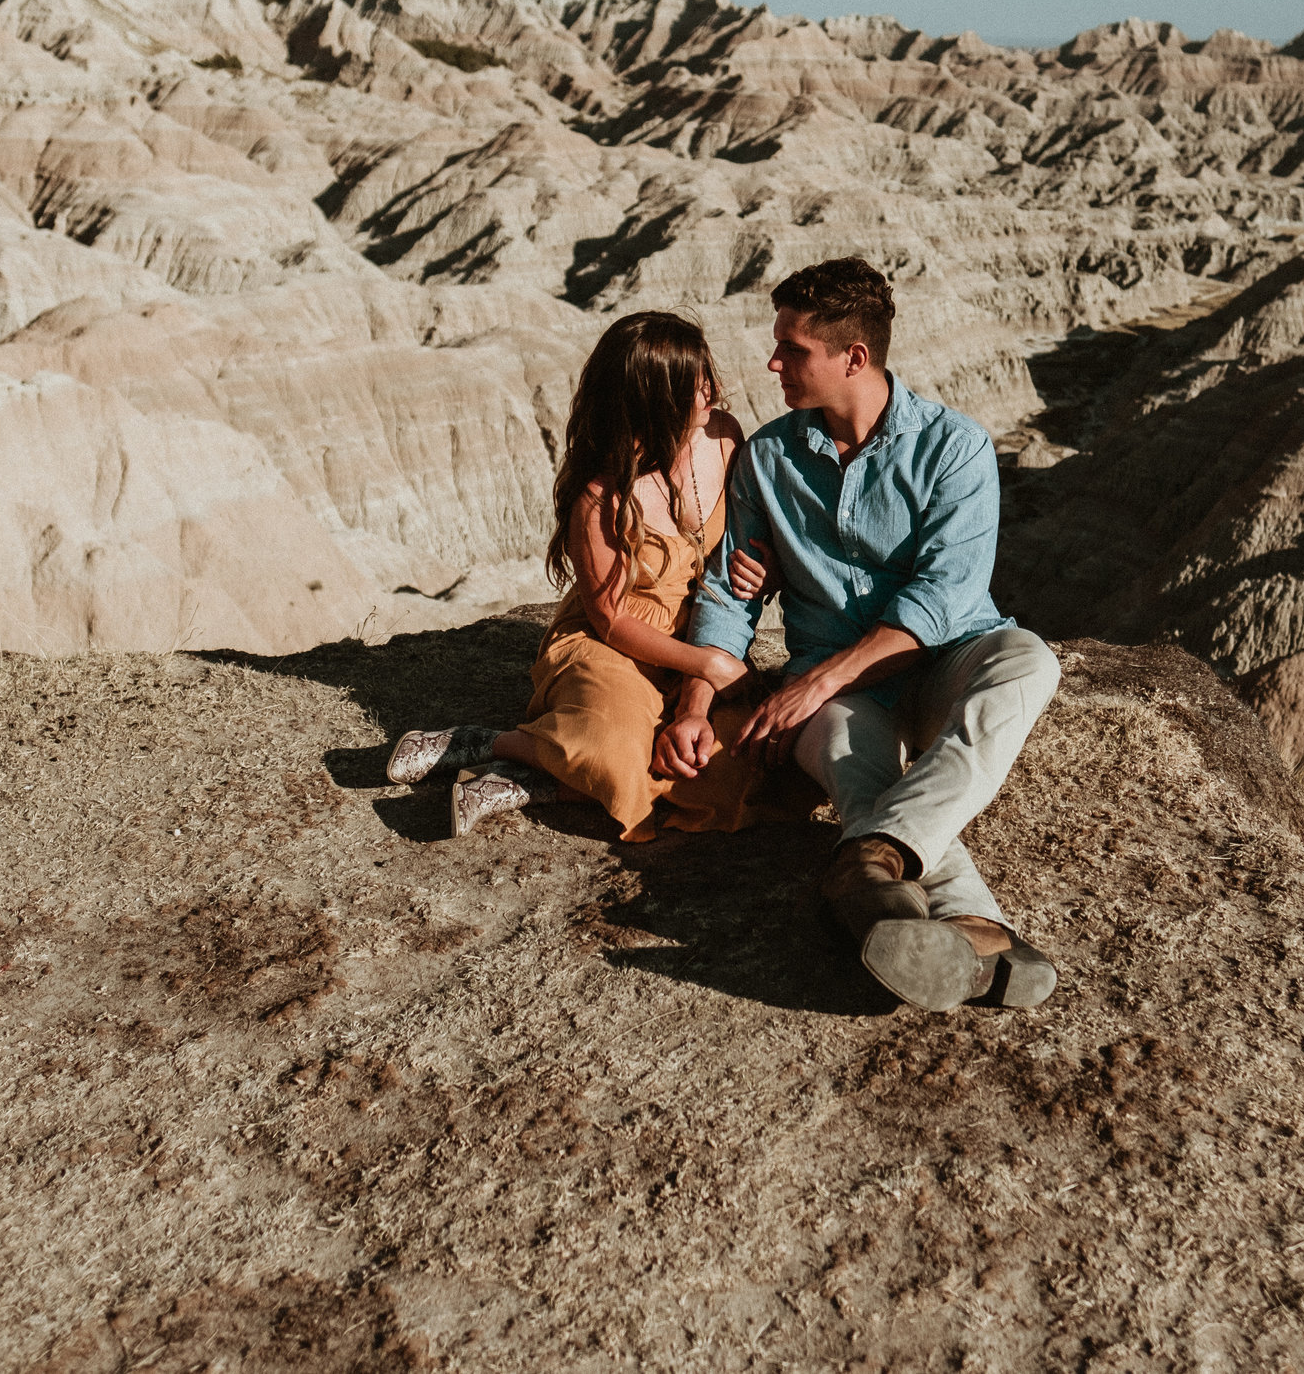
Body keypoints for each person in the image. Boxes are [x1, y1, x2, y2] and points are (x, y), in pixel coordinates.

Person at [669, 257, 1063, 1012]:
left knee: (1031, 664)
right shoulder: (770, 460)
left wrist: (819, 677)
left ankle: (863, 865)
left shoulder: (956, 448)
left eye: (793, 348)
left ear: (854, 356)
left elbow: (946, 596)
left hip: (943, 663)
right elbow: (726, 596)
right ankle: (976, 925)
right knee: (861, 777)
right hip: (838, 701)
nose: (773, 361)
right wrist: (694, 702)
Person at [383, 310, 771, 839]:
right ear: (655, 399)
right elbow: (609, 620)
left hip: (699, 629)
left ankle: (533, 782)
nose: (714, 390)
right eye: (695, 382)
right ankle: (486, 744)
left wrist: (759, 570)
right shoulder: (600, 497)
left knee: (733, 761)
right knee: (612, 748)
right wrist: (707, 662)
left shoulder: (724, 438)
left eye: (707, 373)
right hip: (614, 645)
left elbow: (742, 542)